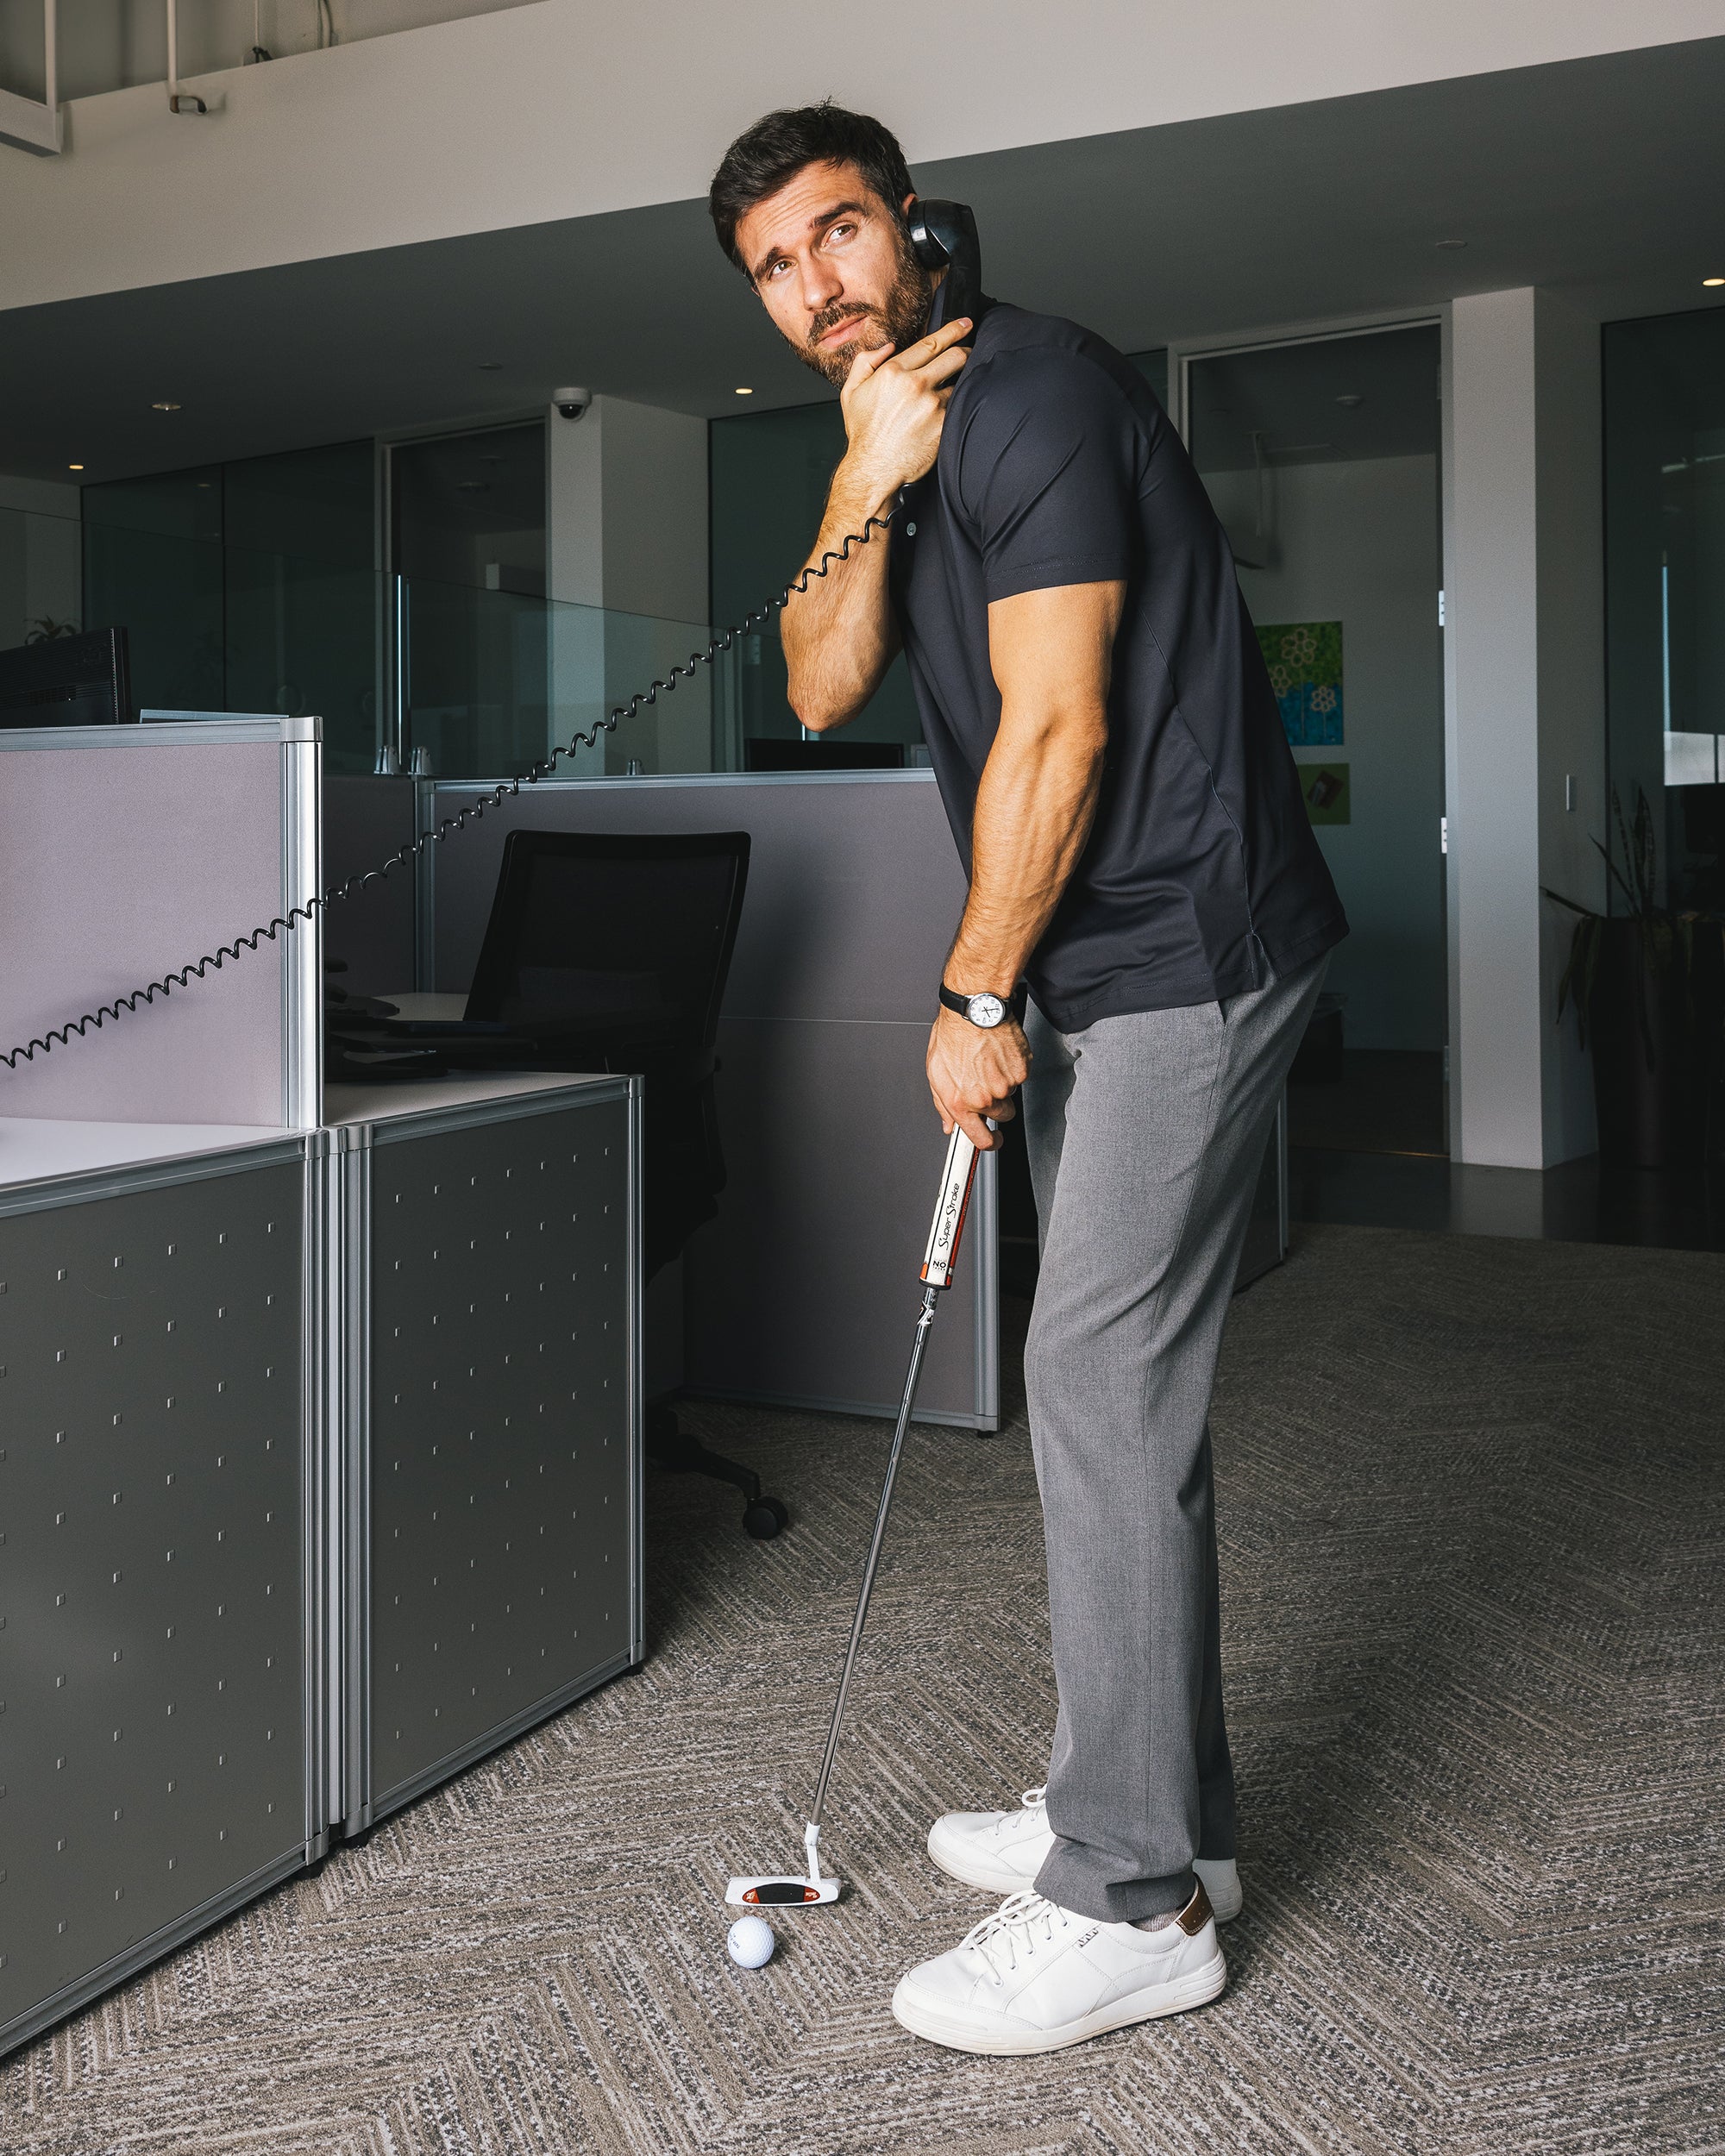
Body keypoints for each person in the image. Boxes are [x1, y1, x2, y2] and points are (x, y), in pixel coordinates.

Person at [708, 103, 1347, 2057]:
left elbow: (1060, 728)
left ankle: (1130, 1896)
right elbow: (819, 682)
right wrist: (860, 471)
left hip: (1187, 947)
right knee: (1117, 1380)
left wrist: (971, 987)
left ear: (911, 222)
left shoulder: (1037, 393)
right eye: (775, 266)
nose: (816, 284)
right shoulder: (900, 436)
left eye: (837, 232)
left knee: (1090, 1369)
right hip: (1094, 958)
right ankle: (1158, 1812)